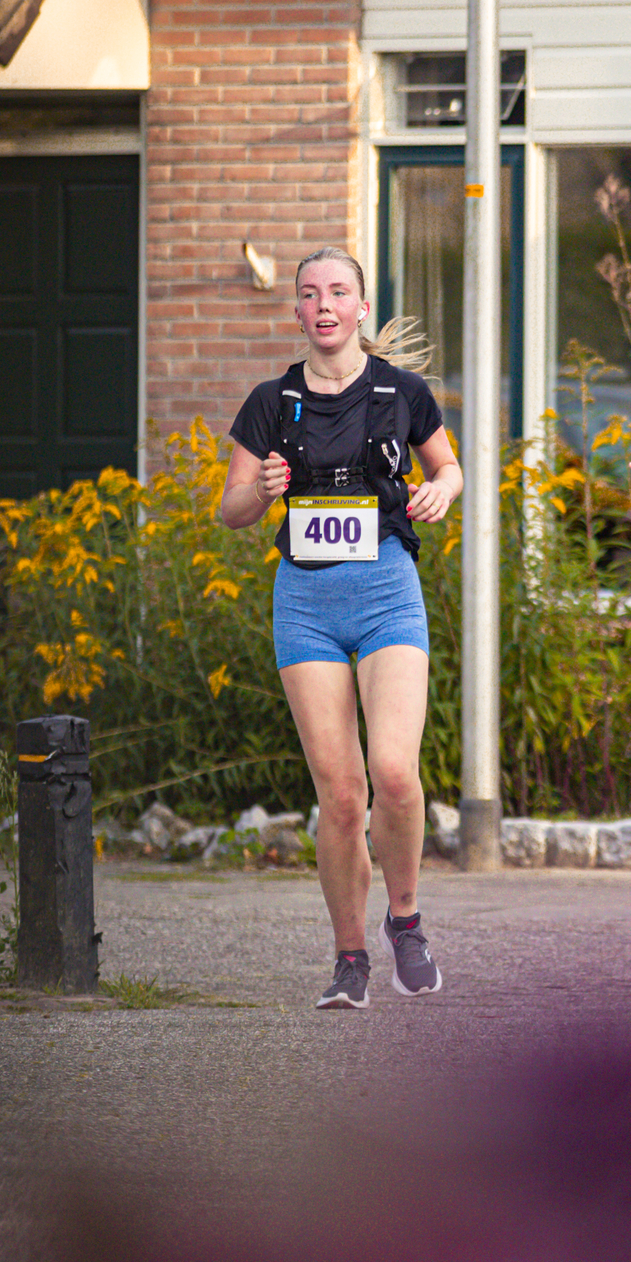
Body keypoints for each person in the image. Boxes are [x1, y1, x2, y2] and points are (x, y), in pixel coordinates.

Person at [220, 245, 462, 1011]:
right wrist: (260, 490)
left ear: (361, 308)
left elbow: (447, 468)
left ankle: (407, 921)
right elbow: (231, 513)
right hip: (306, 604)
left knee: (393, 772)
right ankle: (349, 957)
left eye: (338, 292)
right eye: (309, 294)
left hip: (388, 590)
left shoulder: (401, 391)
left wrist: (441, 493)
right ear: (297, 311)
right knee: (343, 797)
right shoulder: (270, 402)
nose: (323, 304)